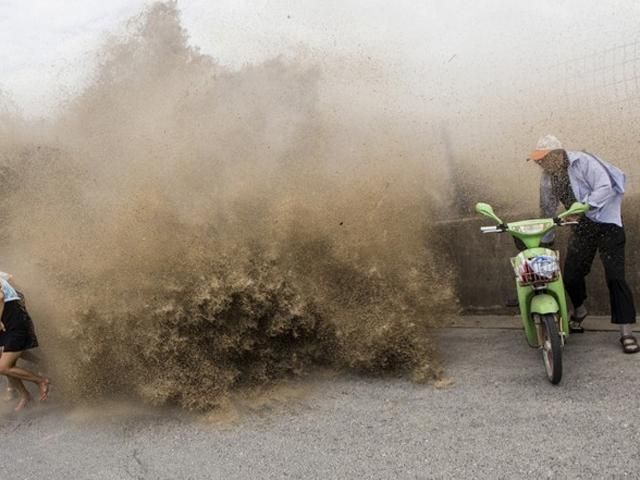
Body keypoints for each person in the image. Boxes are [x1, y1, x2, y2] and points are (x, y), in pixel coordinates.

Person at [528, 135, 638, 353]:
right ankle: (579, 311)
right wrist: (545, 241)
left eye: (544, 159)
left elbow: (605, 186)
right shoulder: (547, 178)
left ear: (558, 154)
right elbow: (547, 210)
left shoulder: (584, 162)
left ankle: (626, 333)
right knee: (570, 275)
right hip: (582, 226)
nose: (541, 164)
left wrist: (583, 208)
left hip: (608, 223)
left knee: (615, 277)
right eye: (538, 160)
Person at [0, 271, 50, 410]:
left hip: (12, 319)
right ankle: (25, 396)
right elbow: (10, 277)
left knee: (3, 367)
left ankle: (41, 381)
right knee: (4, 362)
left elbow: (0, 296)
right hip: (12, 316)